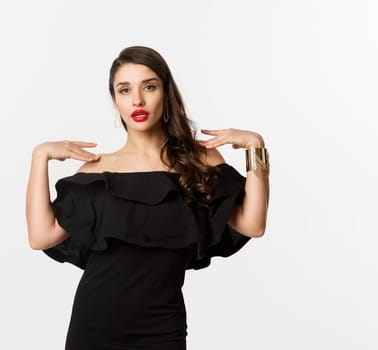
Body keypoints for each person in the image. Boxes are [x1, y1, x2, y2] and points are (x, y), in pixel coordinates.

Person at [25, 46, 269, 349]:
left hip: (162, 326)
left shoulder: (199, 160)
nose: (137, 100)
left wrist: (256, 148)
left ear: (166, 93)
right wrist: (40, 157)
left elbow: (252, 225)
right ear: (115, 101)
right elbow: (40, 236)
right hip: (95, 324)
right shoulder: (98, 170)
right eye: (124, 90)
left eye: (149, 87)